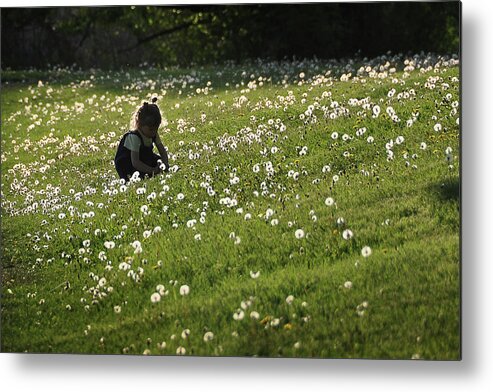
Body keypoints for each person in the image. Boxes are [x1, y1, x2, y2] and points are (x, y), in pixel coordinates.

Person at [114, 97, 169, 182]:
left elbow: (162, 150)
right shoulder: (134, 137)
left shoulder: (153, 133)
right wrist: (152, 170)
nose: (154, 132)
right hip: (128, 164)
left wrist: (165, 164)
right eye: (151, 129)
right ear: (140, 124)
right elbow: (135, 162)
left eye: (156, 128)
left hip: (144, 157)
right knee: (140, 175)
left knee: (158, 161)